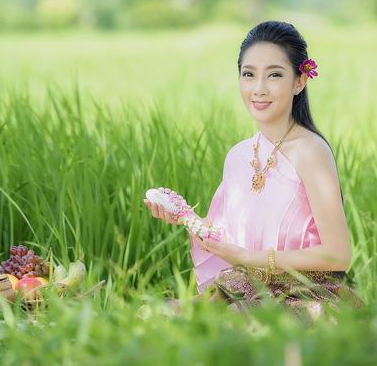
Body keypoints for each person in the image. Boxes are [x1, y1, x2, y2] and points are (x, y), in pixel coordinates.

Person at [143, 20, 365, 324]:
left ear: (299, 81)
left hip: (304, 293)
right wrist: (184, 218)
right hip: (245, 287)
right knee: (158, 316)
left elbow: (338, 254)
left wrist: (250, 259)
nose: (258, 89)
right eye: (248, 75)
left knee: (236, 327)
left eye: (274, 75)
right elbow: (231, 241)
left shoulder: (310, 151)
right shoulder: (238, 155)